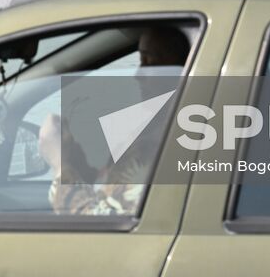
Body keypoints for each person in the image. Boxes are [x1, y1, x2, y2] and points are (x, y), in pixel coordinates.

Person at [39, 27, 192, 215]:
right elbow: (113, 196)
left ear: (186, 72)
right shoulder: (156, 130)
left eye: (151, 63)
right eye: (141, 61)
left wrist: (60, 166)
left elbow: (98, 228)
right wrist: (78, 163)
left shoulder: (158, 150)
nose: (138, 75)